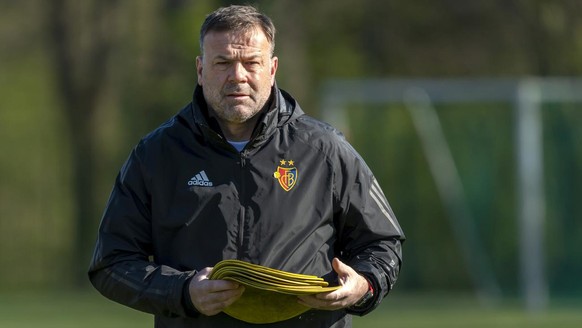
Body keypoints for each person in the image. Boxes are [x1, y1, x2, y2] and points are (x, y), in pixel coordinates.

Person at [88, 4, 405, 328]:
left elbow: (382, 244)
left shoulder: (325, 150)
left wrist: (362, 286)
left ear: (272, 68)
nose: (237, 75)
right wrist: (183, 291)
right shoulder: (156, 155)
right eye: (223, 62)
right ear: (200, 69)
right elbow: (112, 262)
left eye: (251, 62)